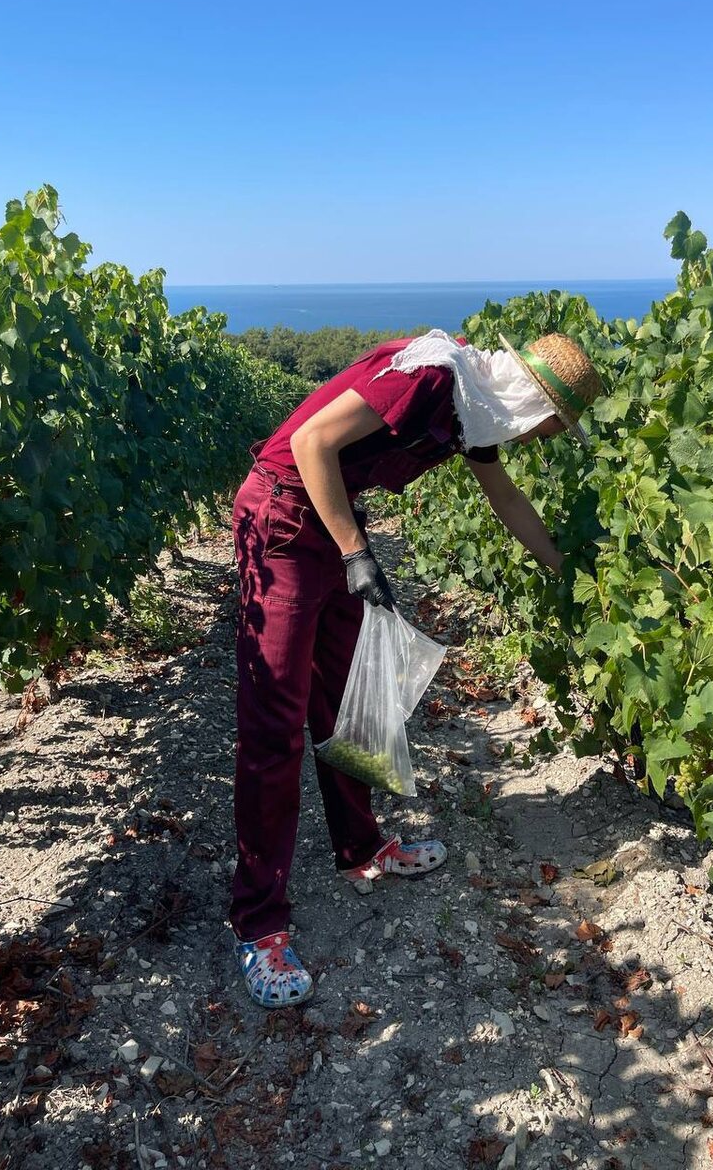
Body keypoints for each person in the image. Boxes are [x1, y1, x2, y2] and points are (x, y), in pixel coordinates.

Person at [230, 327, 603, 1008]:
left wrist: (568, 573)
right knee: (274, 725)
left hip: (329, 516)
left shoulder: (473, 411)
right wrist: (355, 553)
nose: (540, 439)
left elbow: (506, 499)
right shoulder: (431, 378)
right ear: (533, 400)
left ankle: (361, 848)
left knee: (353, 701)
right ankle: (258, 924)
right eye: (549, 427)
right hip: (281, 517)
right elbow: (311, 443)